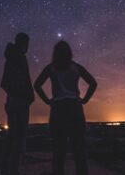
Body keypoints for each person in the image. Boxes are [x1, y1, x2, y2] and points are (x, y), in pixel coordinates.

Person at [34, 40, 97, 175]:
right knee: (79, 150)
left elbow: (37, 85)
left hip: (58, 109)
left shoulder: (51, 68)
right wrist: (84, 100)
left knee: (59, 151)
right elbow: (93, 83)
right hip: (75, 108)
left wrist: (47, 101)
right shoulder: (76, 67)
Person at [0, 32, 35, 175]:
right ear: (24, 43)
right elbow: (11, 82)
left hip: (14, 100)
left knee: (13, 139)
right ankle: (13, 170)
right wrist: (24, 96)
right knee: (18, 140)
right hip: (19, 102)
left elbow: (5, 82)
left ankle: (8, 170)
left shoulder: (12, 57)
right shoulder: (18, 57)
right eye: (27, 43)